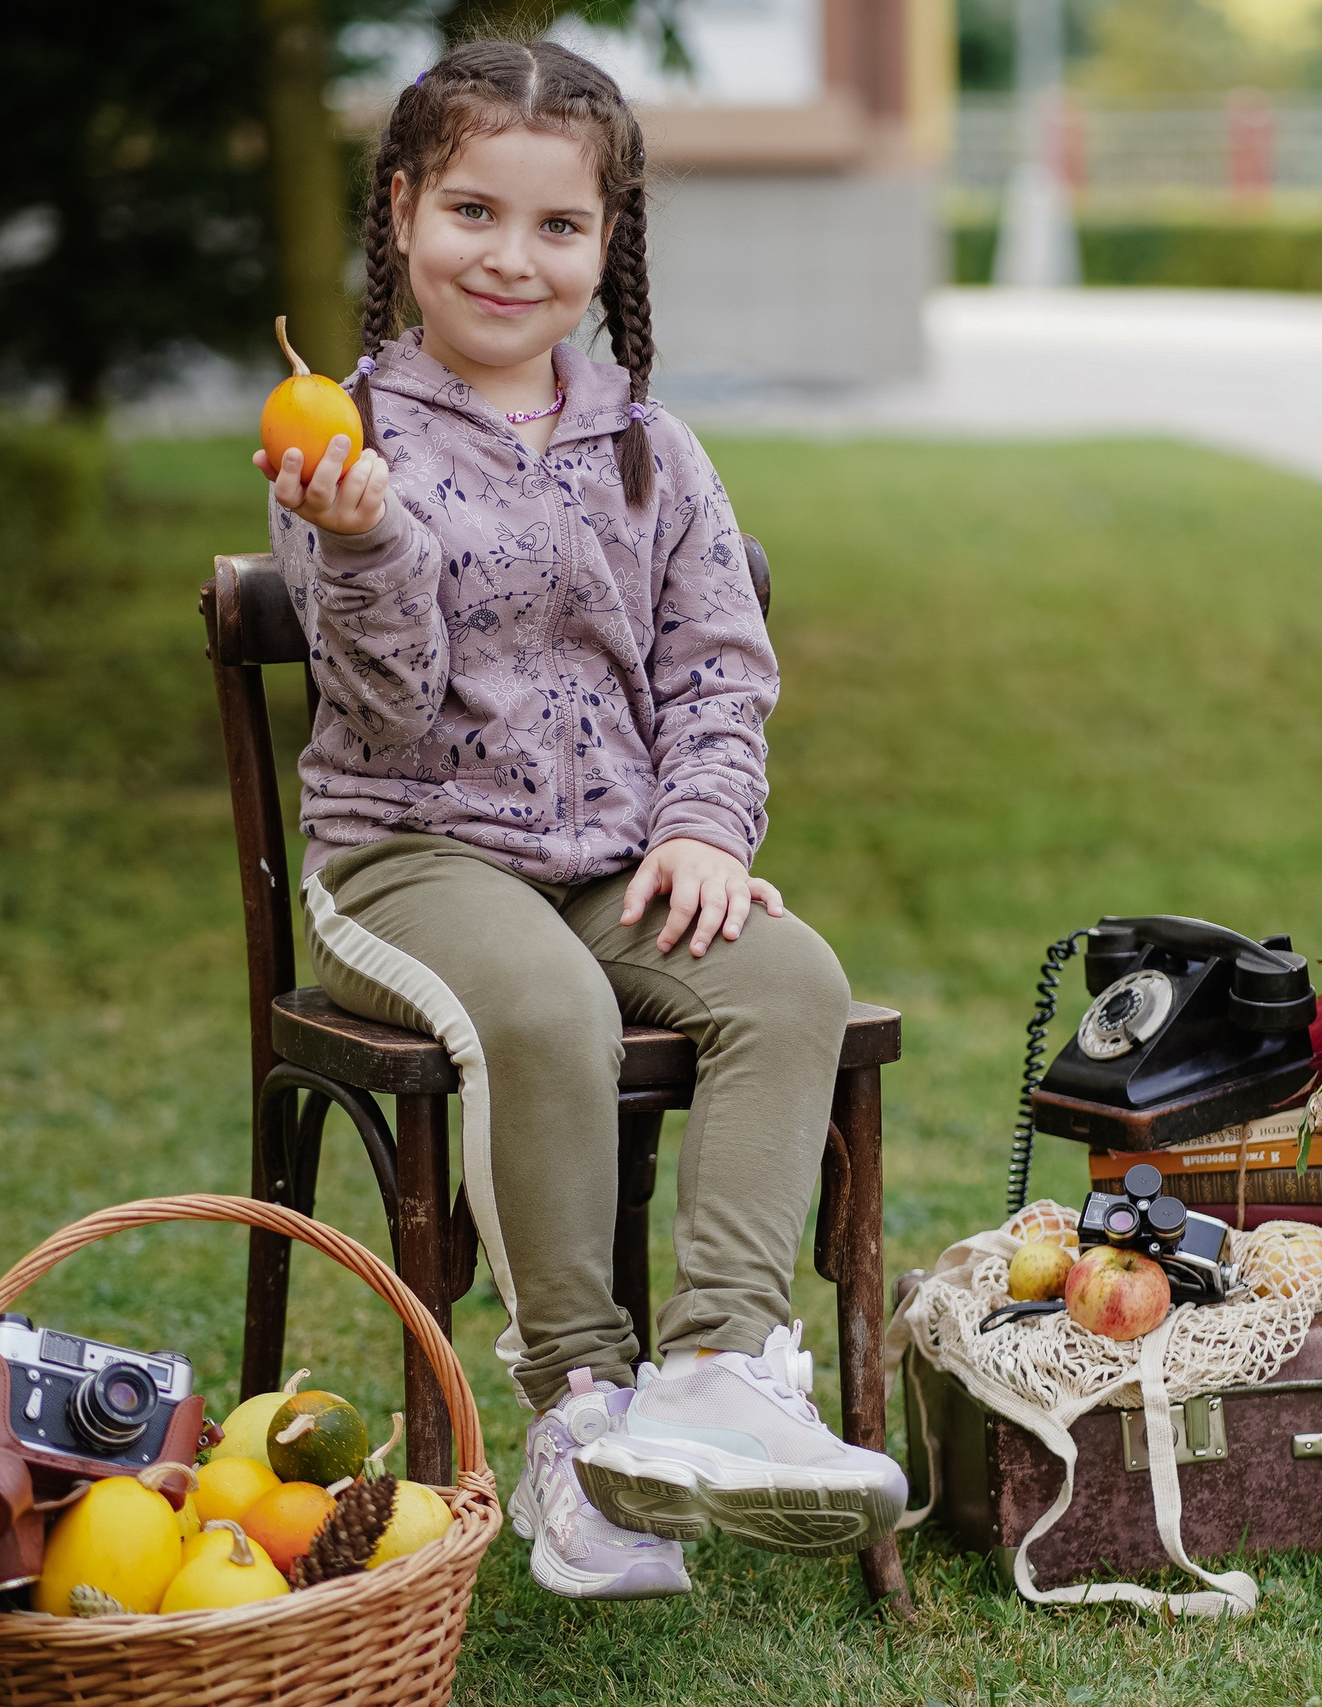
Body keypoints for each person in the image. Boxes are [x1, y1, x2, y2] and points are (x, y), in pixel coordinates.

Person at [257, 39, 902, 1602]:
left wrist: (702, 830)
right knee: (544, 1005)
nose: (511, 256)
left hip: (612, 857)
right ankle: (578, 1412)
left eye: (558, 227)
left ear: (605, 245)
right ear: (402, 211)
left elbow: (719, 671)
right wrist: (365, 545)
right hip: (405, 858)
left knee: (787, 977)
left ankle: (713, 1373)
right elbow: (390, 711)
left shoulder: (651, 450)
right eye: (474, 211)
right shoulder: (345, 441)